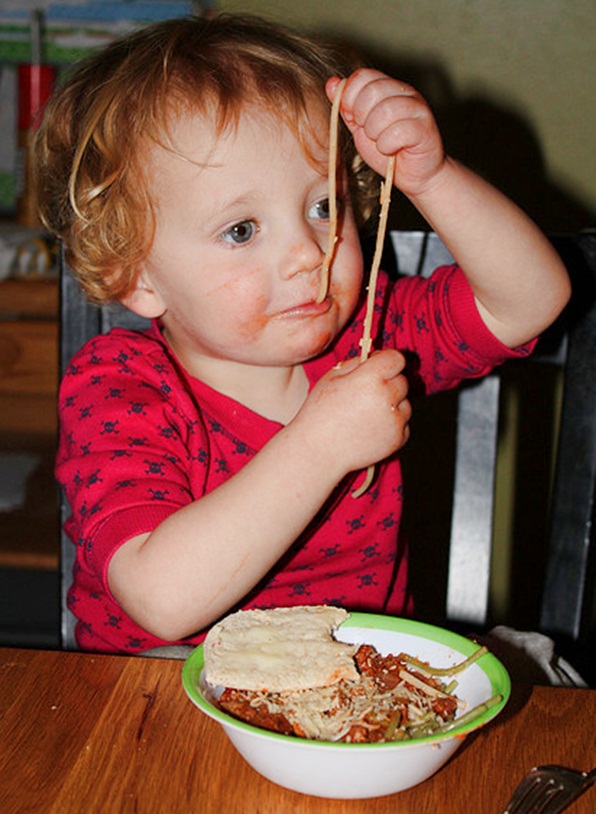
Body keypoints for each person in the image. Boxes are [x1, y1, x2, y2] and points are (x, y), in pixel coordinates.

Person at [35, 14, 570, 654]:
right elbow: (161, 601)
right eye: (242, 230)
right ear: (137, 275)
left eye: (324, 206)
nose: (308, 253)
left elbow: (533, 300)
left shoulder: (372, 335)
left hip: (359, 682)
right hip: (163, 701)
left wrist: (431, 176)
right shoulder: (117, 386)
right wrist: (320, 445)